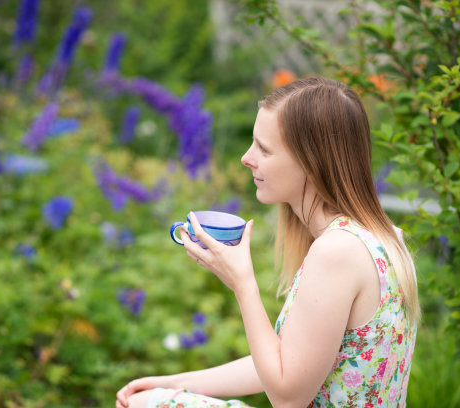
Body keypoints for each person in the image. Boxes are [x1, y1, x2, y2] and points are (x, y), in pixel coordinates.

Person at [116, 77, 420, 408]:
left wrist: (242, 284)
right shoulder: (385, 238)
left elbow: (288, 397)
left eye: (264, 148)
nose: (247, 158)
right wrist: (175, 383)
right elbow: (291, 364)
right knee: (150, 399)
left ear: (311, 162)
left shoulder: (337, 252)